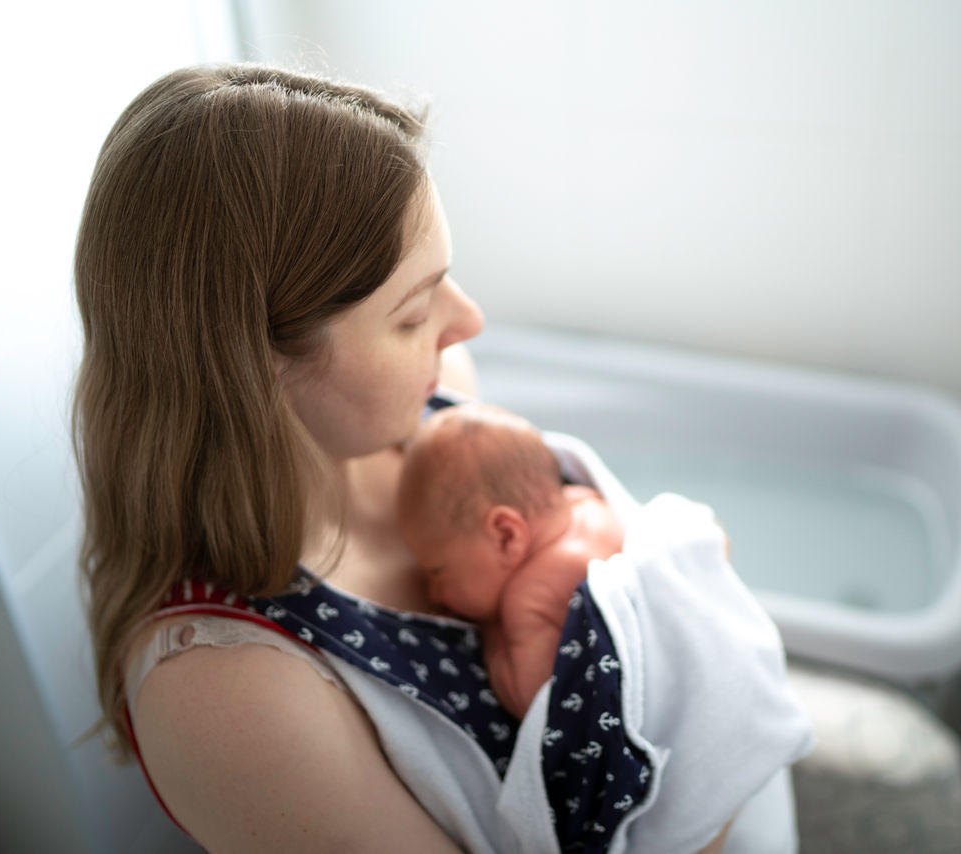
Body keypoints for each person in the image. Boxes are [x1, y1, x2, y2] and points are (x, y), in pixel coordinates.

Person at [74, 62, 809, 854]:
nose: (468, 322)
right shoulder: (227, 695)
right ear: (257, 369)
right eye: (413, 312)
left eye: (446, 280)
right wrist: (707, 779)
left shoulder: (437, 406)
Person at [397, 402, 627, 719]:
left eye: (438, 571)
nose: (434, 593)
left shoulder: (529, 597)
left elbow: (532, 704)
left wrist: (492, 631)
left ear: (506, 536)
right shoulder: (587, 502)